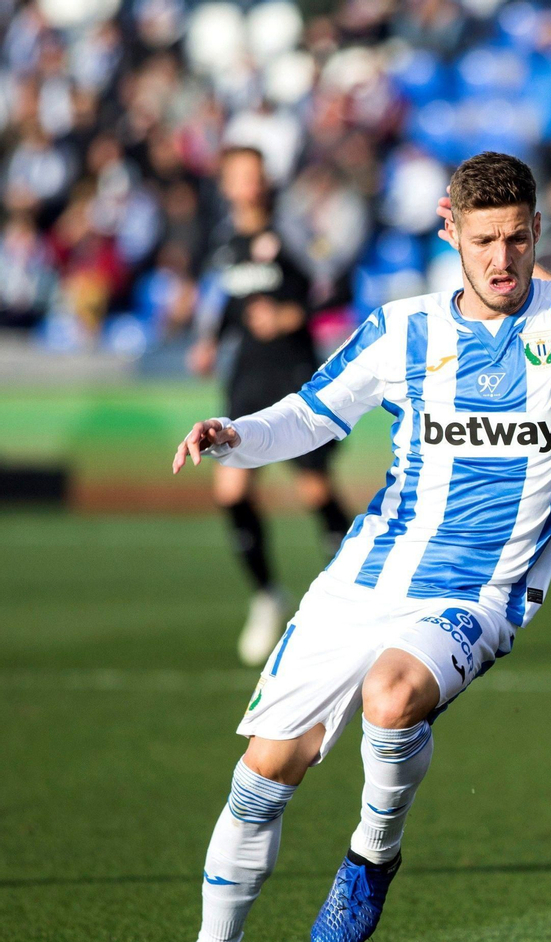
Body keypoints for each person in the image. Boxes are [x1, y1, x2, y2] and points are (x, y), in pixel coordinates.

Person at [136, 152, 551, 942]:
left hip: (484, 590)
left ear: (539, 235)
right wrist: (233, 433)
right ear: (448, 229)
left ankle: (372, 852)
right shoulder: (401, 330)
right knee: (268, 766)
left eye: (520, 240)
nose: (504, 261)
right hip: (367, 572)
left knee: (392, 696)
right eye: (486, 240)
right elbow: (311, 413)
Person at [188, 146, 350, 666]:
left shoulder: (294, 232)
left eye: (255, 176)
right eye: (238, 177)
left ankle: (354, 588)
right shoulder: (222, 243)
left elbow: (336, 286)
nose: (248, 186)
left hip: (295, 372)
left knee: (313, 490)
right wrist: (210, 339)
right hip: (247, 378)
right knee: (231, 489)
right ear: (227, 184)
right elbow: (229, 303)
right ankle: (266, 596)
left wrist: (290, 316)